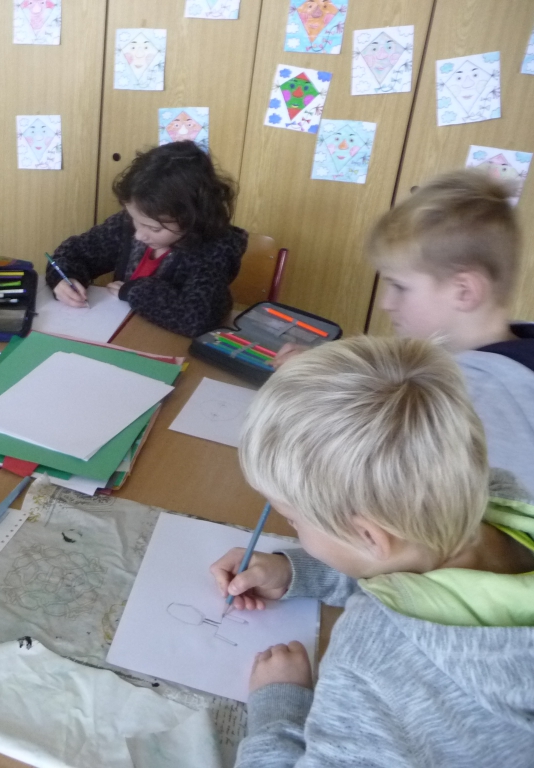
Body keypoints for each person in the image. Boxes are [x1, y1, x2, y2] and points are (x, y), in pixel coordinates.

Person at [210, 335, 534, 767]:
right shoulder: (500, 496)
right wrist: (296, 572)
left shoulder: (371, 664)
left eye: (294, 520)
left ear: (368, 536)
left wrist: (279, 706)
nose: (293, 528)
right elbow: (415, 557)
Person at [371, 169, 534, 493]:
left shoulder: (481, 395)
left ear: (464, 292)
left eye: (399, 287)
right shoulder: (514, 352)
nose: (385, 303)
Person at [45, 140, 247, 338]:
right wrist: (64, 278)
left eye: (154, 228)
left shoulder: (215, 249)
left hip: (169, 345)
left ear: (192, 219)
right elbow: (74, 252)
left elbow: (197, 318)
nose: (139, 234)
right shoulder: (127, 224)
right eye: (135, 220)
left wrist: (135, 291)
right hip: (118, 334)